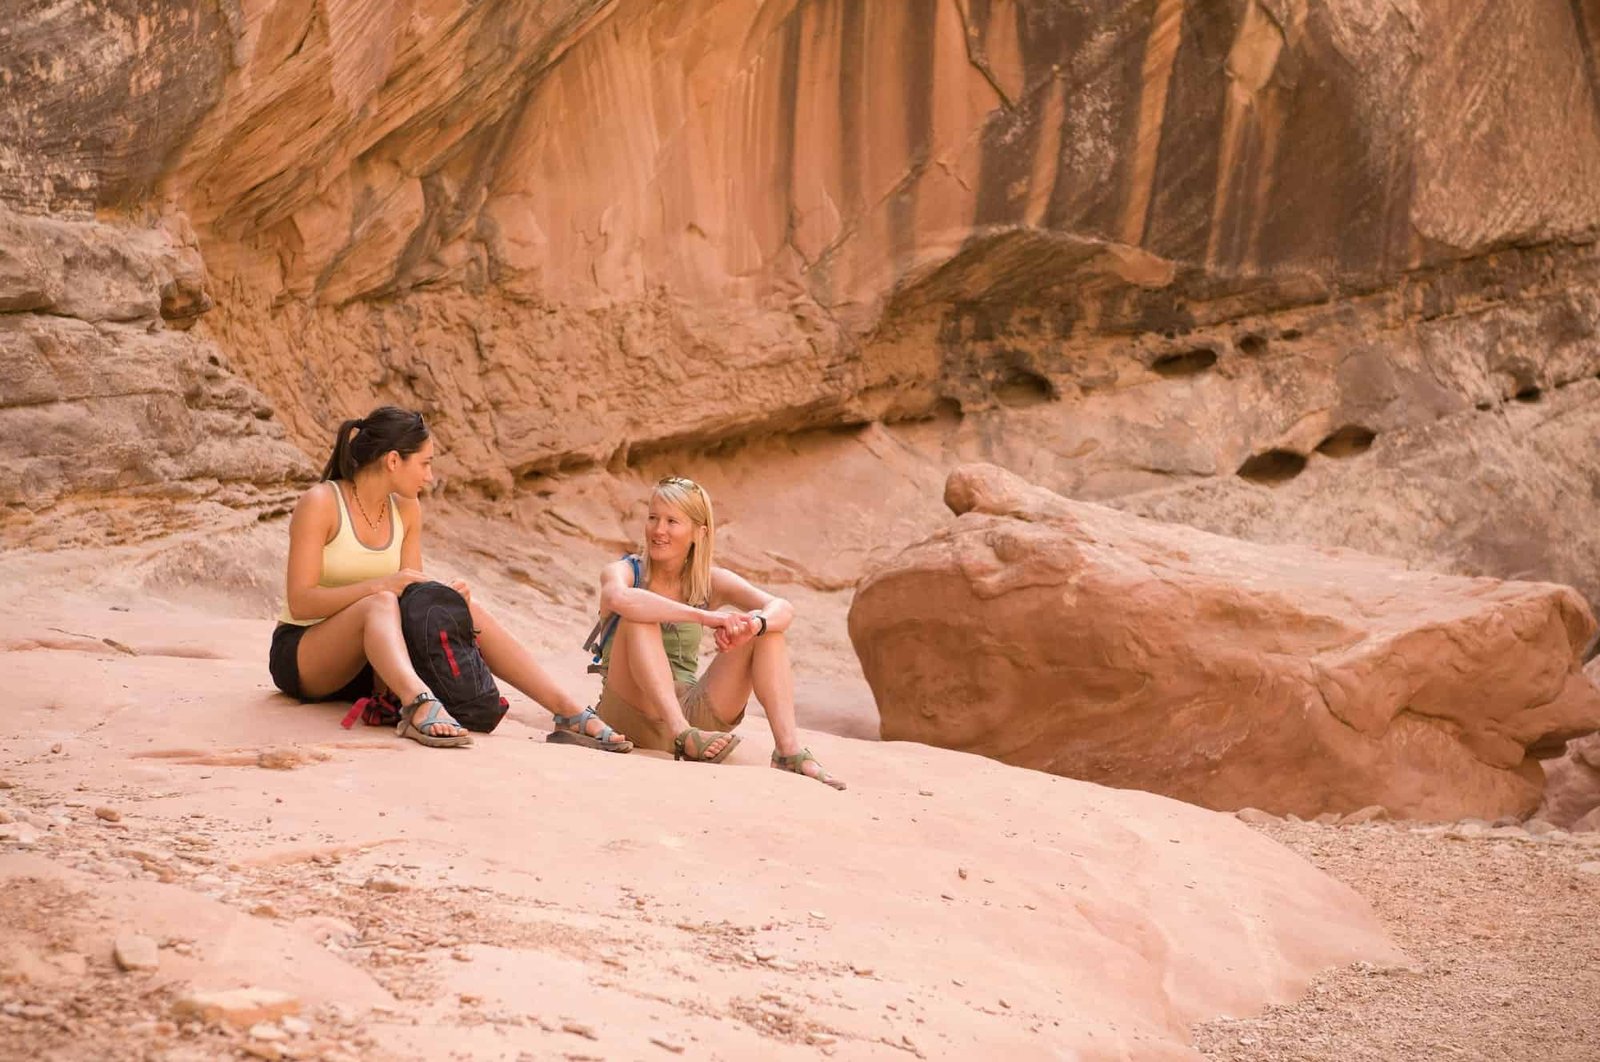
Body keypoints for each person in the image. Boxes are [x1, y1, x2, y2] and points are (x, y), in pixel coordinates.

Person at [268, 406, 631, 752]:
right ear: (393, 460)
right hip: (307, 656)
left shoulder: (407, 508)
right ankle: (418, 706)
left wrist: (445, 599)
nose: (430, 476)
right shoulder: (321, 503)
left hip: (372, 662)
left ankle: (568, 711)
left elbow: (411, 598)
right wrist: (379, 587)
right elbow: (301, 600)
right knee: (379, 603)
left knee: (464, 607)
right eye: (424, 464)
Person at [588, 475, 845, 789]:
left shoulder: (711, 580)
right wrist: (707, 618)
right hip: (630, 711)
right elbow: (619, 598)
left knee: (764, 628)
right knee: (639, 613)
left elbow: (782, 607)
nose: (658, 530)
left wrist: (752, 626)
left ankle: (788, 751)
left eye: (672, 522)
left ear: (699, 532)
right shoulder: (624, 571)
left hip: (696, 716)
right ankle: (681, 734)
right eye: (653, 518)